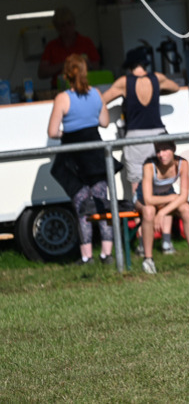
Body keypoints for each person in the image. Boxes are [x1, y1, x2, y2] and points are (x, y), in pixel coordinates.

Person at [101, 47, 181, 252]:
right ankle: (166, 240)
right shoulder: (158, 78)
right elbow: (175, 87)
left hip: (135, 138)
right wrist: (157, 90)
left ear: (129, 66)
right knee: (164, 186)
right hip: (159, 136)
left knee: (138, 193)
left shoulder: (123, 83)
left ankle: (141, 241)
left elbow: (102, 100)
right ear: (145, 64)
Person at [47, 54, 114, 264]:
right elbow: (104, 122)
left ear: (66, 75)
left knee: (81, 206)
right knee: (102, 204)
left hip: (73, 159)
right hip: (95, 155)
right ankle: (107, 254)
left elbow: (52, 131)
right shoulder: (96, 94)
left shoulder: (62, 98)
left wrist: (67, 132)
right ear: (86, 72)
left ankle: (86, 257)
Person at [137, 141, 189, 274]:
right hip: (142, 199)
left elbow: (184, 197)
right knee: (149, 211)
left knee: (186, 209)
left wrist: (161, 213)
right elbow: (148, 199)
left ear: (173, 149)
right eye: (158, 151)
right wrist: (172, 198)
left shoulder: (183, 163)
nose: (161, 155)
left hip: (166, 197)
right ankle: (148, 260)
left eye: (165, 150)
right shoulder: (149, 165)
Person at [38, 7, 101, 90]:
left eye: (69, 23)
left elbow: (97, 69)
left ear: (74, 24)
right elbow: (41, 73)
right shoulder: (51, 46)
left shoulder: (86, 42)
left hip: (84, 87)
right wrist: (65, 64)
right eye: (62, 25)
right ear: (57, 28)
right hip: (60, 89)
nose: (66, 28)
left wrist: (85, 64)